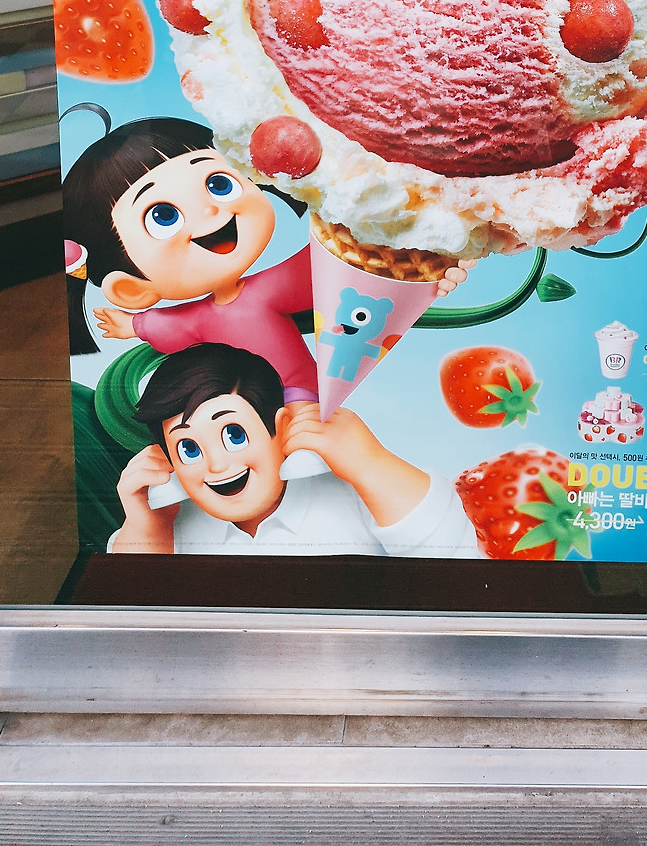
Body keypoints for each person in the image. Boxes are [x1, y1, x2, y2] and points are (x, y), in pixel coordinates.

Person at [61, 112, 469, 401]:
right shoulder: (205, 316)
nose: (210, 211)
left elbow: (338, 269)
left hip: (301, 396)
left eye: (218, 184)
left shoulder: (273, 287)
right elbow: (174, 326)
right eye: (163, 216)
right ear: (131, 289)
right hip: (248, 415)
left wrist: (422, 263)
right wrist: (134, 324)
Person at [110, 344, 478, 557]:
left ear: (283, 427)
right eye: (189, 448)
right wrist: (147, 525)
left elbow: (456, 560)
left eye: (234, 434)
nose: (217, 465)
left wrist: (372, 465)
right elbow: (129, 628)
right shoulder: (166, 525)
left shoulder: (353, 492)